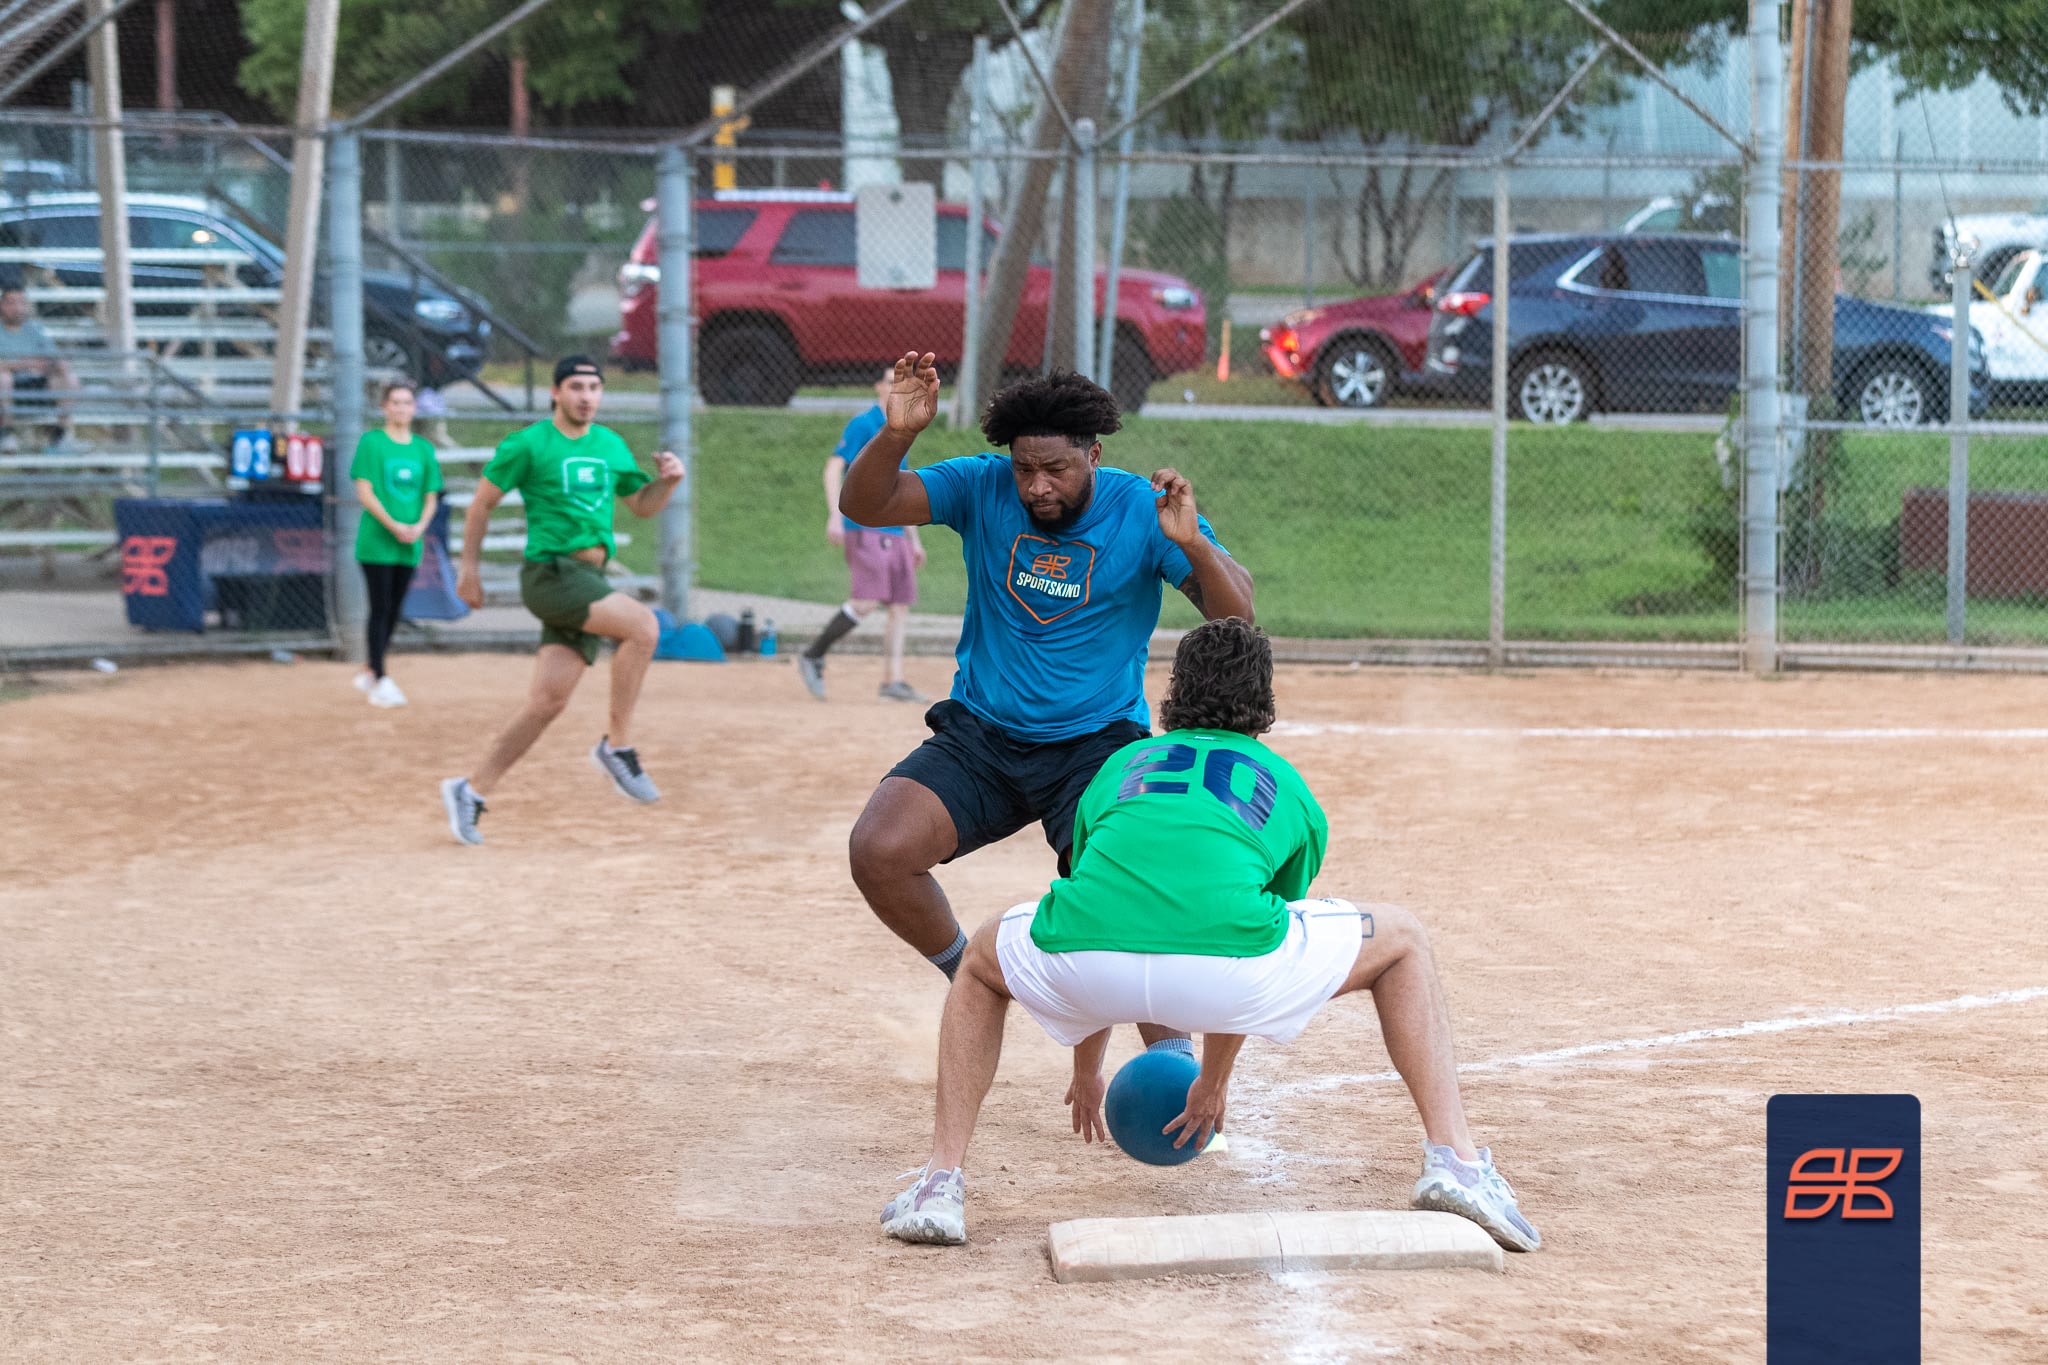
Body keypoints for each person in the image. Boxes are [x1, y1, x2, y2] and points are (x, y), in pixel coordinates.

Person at [881, 618, 1542, 1255]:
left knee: (980, 961)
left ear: (1174, 694)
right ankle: (1456, 1162)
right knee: (1403, 940)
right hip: (1228, 973)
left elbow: (1103, 907)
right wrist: (1213, 1080)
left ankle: (940, 1183)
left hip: (1087, 965)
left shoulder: (1121, 764)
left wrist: (1087, 1068)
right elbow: (1248, 931)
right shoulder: (1287, 785)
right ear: (1264, 704)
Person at [838, 352, 1255, 984]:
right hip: (982, 736)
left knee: (1127, 895)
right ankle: (973, 978)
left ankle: (1169, 1043)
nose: (1037, 486)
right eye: (1025, 468)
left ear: (1093, 455)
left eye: (1055, 469)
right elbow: (866, 505)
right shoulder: (981, 484)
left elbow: (1237, 617)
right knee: (879, 851)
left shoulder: (1143, 510)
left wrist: (1193, 542)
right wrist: (897, 435)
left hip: (1096, 744)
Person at [438, 356, 685, 845]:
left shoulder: (609, 444)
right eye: (576, 387)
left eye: (594, 387)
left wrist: (668, 483)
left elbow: (641, 506)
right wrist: (468, 570)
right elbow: (481, 505)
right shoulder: (529, 444)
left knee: (546, 703)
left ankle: (471, 790)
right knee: (644, 628)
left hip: (588, 579)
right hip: (552, 574)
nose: (586, 396)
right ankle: (616, 747)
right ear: (555, 393)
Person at [798, 371, 929, 704]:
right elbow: (833, 468)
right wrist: (835, 515)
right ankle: (813, 654)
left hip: (896, 528)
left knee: (899, 607)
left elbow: (901, 485)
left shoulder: (901, 428)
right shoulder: (864, 424)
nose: (895, 387)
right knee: (866, 602)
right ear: (879, 387)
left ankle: (892, 681)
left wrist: (914, 539)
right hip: (864, 526)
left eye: (901, 384)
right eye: (890, 381)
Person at [350, 380, 442, 708]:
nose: (402, 408)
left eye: (407, 403)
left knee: (395, 609)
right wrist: (393, 525)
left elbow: (430, 496)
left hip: (409, 542)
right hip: (377, 542)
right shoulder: (372, 443)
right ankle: (380, 676)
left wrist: (418, 527)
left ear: (414, 408)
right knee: (380, 607)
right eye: (396, 402)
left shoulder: (423, 449)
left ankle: (371, 668)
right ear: (384, 407)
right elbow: (365, 492)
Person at [0, 283, 79, 452]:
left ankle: (60, 433)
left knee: (68, 376)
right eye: (11, 303)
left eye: (21, 302)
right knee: (3, 378)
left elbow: (53, 356)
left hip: (38, 385)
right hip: (10, 389)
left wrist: (52, 365)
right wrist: (25, 364)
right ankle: (6, 433)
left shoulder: (35, 329)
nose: (17, 308)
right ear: (2, 305)